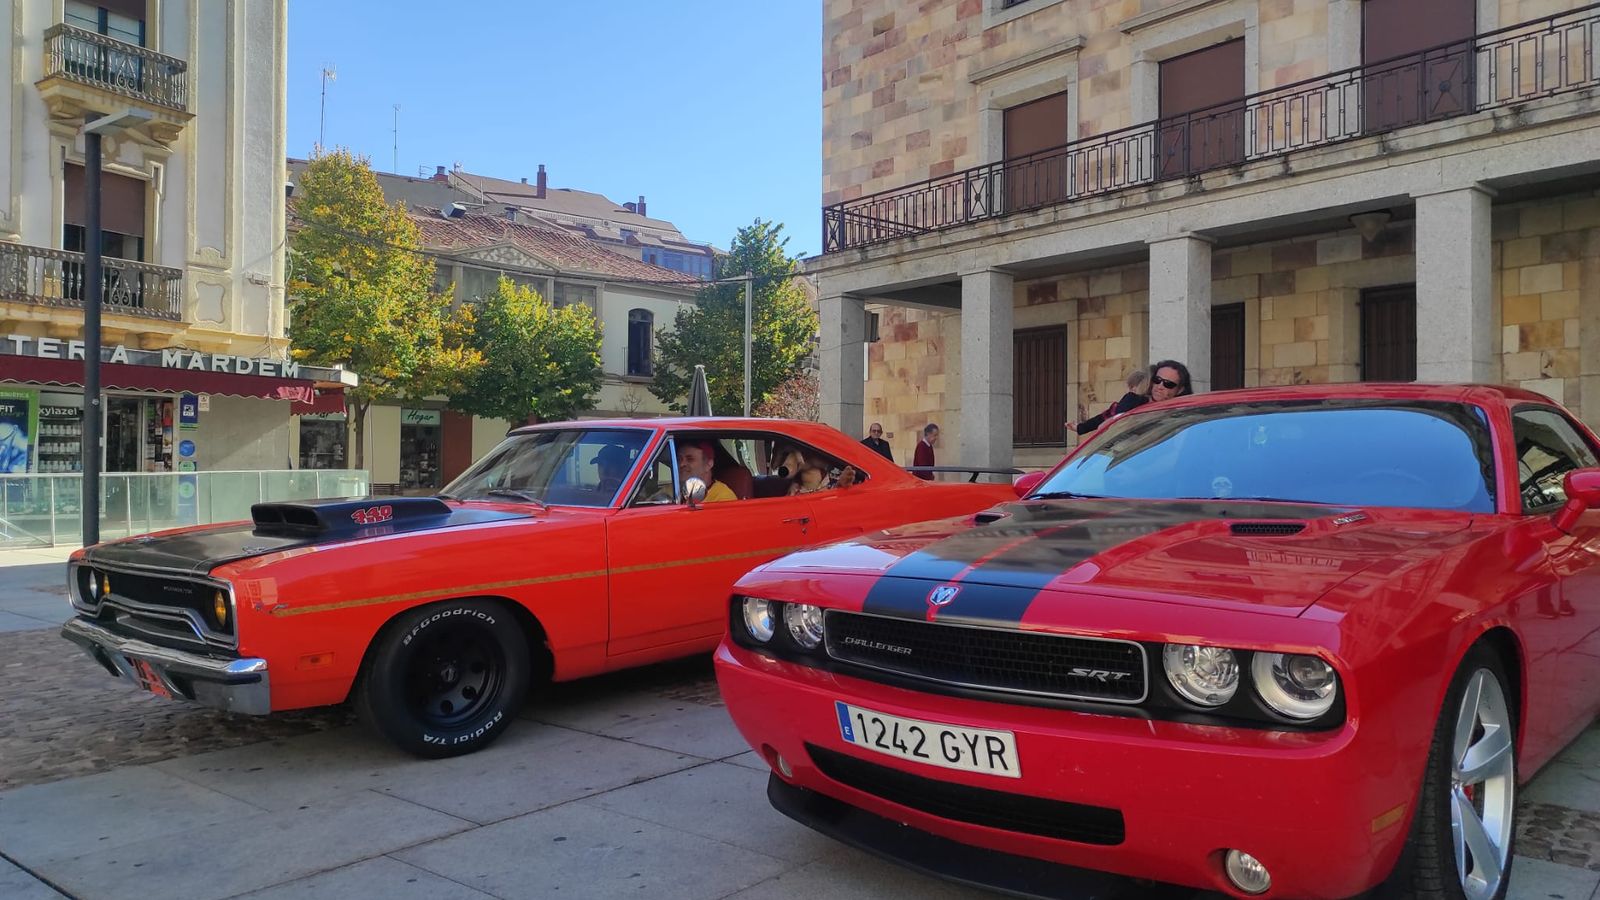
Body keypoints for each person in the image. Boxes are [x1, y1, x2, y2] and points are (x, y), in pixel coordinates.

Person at [1068, 369, 1150, 436]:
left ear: (1131, 387)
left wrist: (1081, 428)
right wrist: (1080, 428)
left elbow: (1103, 418)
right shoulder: (1149, 403)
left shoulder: (1130, 399)